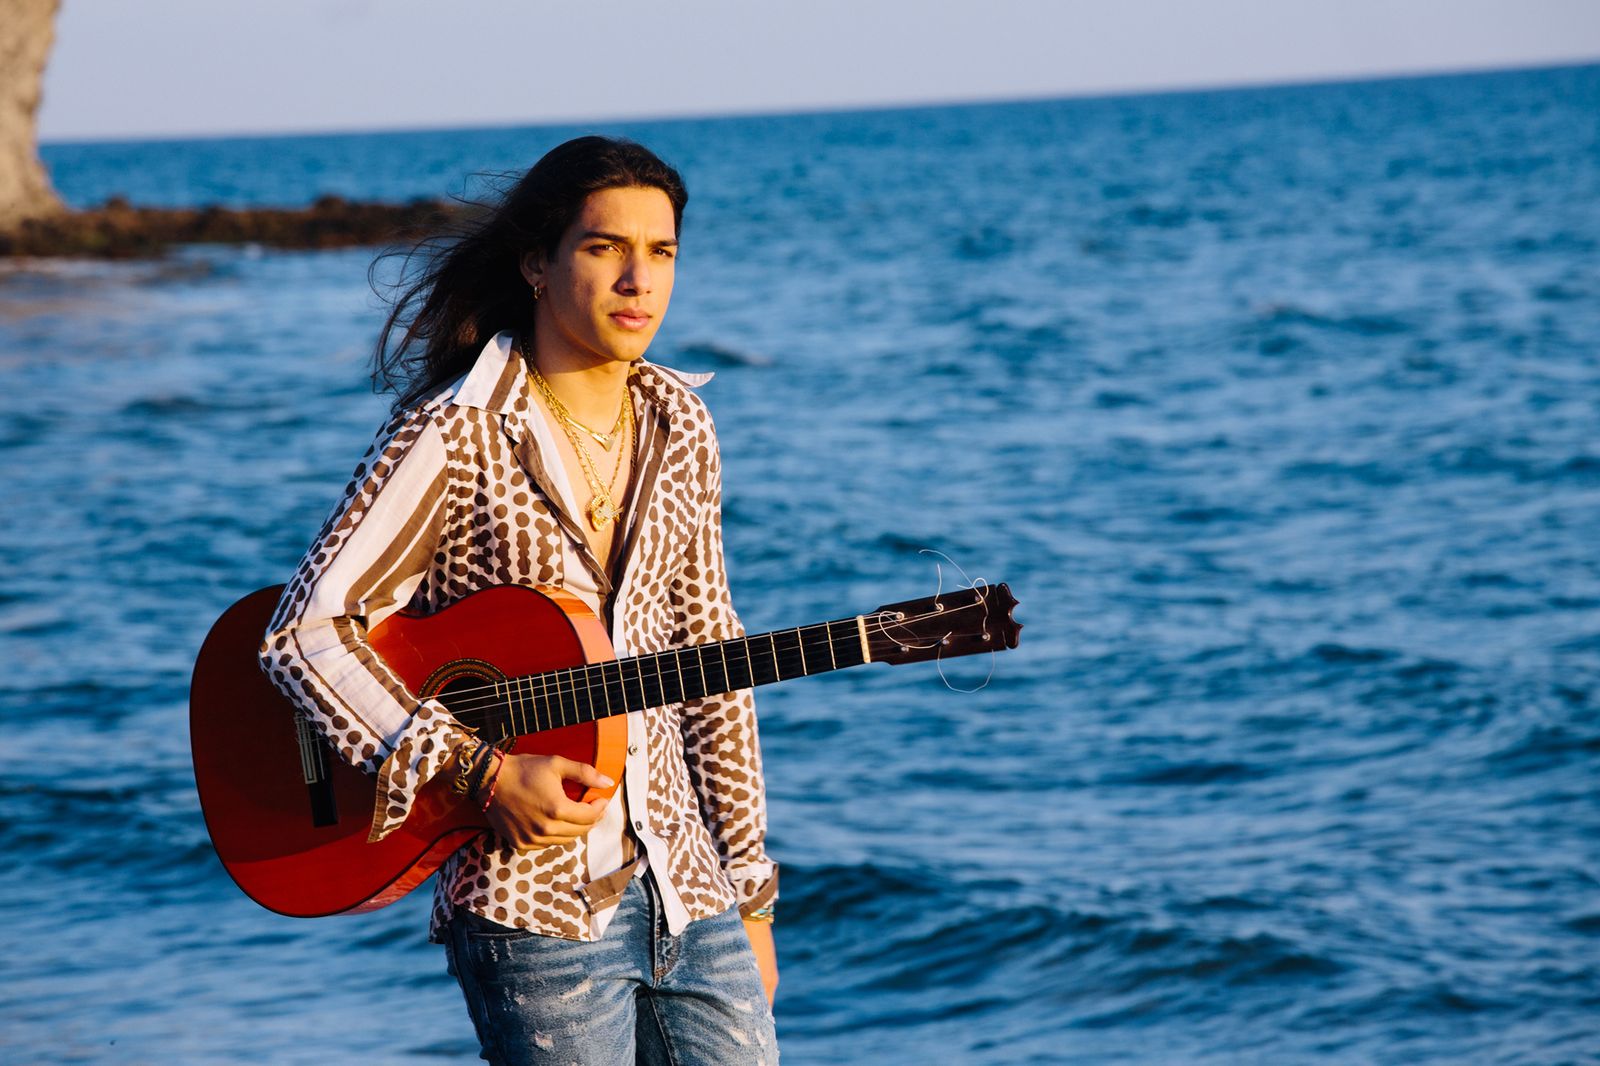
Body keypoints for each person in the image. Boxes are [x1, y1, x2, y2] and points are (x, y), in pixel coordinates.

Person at [258, 136, 779, 1065]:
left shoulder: (682, 423)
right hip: (530, 908)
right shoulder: (452, 434)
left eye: (660, 253)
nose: (637, 280)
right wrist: (482, 775)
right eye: (602, 247)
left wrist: (749, 893)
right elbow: (305, 634)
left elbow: (712, 664)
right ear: (537, 265)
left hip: (692, 895)